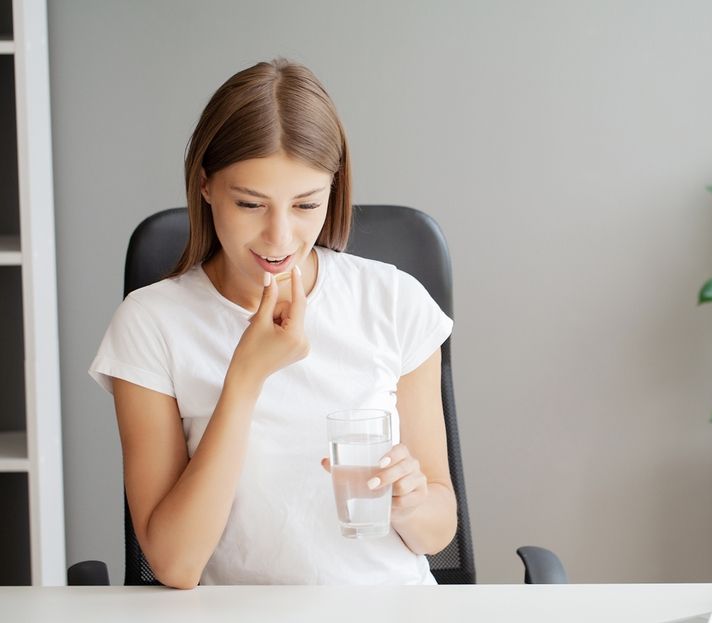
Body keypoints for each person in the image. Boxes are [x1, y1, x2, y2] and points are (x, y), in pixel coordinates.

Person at [89, 58, 457, 588]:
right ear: (206, 186)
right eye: (250, 204)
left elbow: (438, 531)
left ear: (333, 189)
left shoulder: (393, 300)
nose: (280, 237)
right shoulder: (150, 325)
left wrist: (410, 501)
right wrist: (244, 379)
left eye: (306, 204)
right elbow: (175, 564)